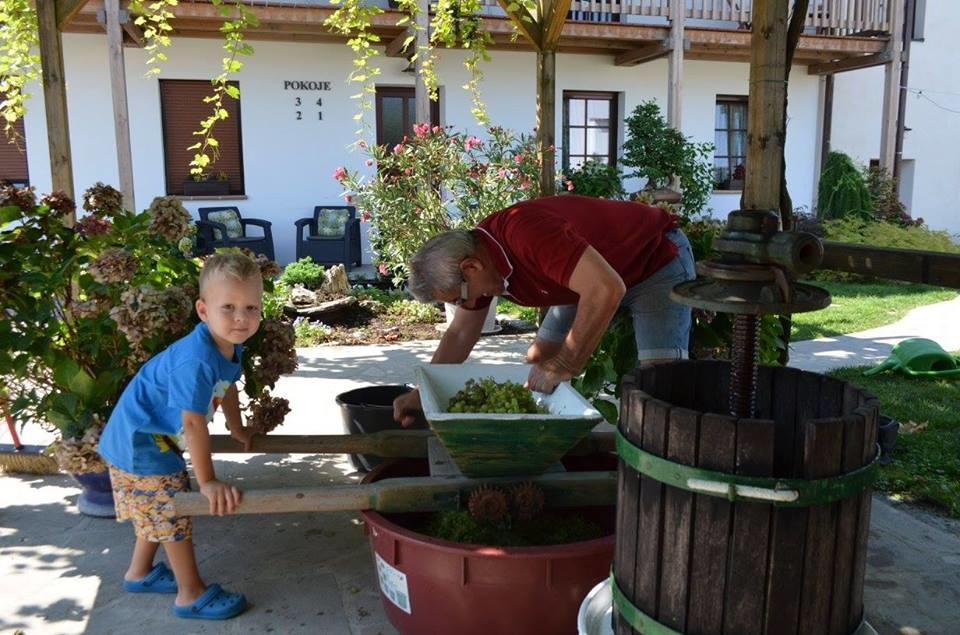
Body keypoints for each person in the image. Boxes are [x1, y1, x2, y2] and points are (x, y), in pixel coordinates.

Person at [393, 194, 696, 426]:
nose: (464, 307)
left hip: (654, 261)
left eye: (459, 298)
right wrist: (421, 395)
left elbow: (606, 289)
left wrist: (566, 362)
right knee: (538, 361)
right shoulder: (481, 259)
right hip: (590, 276)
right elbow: (459, 334)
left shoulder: (527, 235)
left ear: (471, 267)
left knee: (660, 383)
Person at [98, 252, 262, 620]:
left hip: (147, 438)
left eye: (252, 307)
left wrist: (237, 428)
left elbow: (229, 385)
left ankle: (139, 573)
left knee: (155, 506)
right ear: (203, 311)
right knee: (172, 509)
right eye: (229, 307)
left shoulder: (229, 343)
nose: (241, 318)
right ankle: (190, 593)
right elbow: (193, 425)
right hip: (140, 443)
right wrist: (208, 482)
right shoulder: (197, 359)